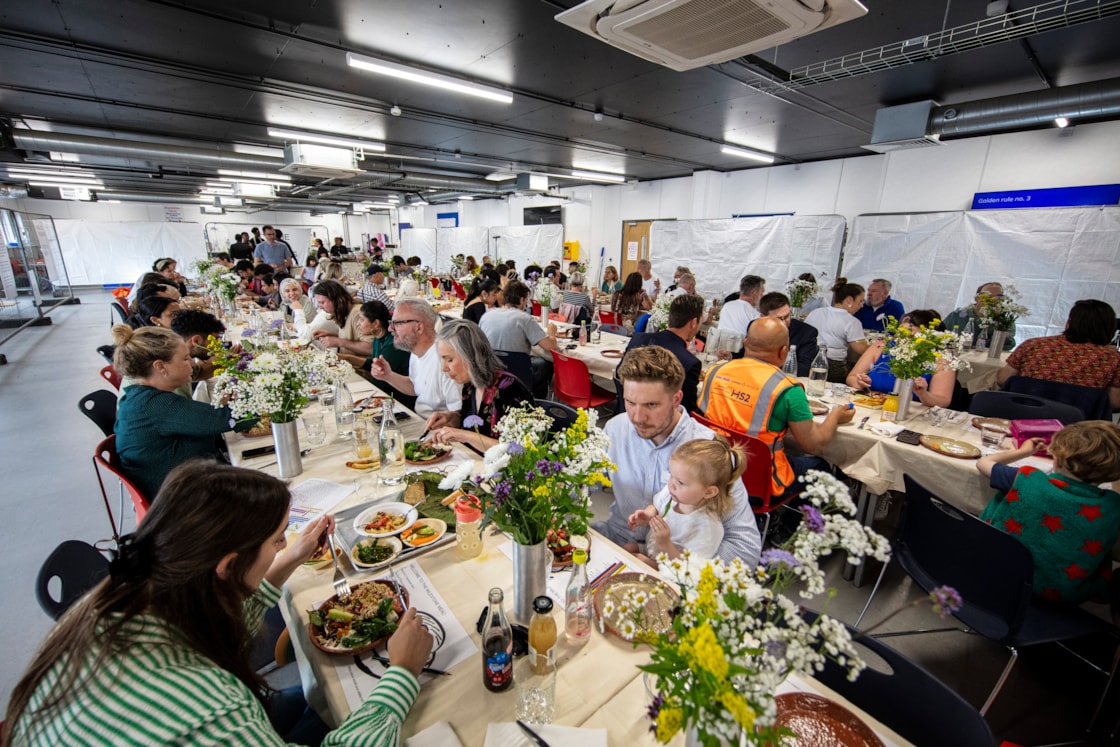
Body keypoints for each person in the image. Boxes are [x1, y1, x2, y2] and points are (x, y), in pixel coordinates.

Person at [3, 461, 433, 746]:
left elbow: (210, 620)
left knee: (321, 695)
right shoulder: (202, 704)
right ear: (227, 565)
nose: (283, 543)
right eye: (276, 538)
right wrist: (401, 674)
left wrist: (289, 558)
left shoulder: (121, 598)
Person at [593, 345, 762, 566]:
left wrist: (684, 570)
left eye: (651, 405)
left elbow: (745, 547)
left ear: (676, 399)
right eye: (630, 402)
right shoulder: (615, 428)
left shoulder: (709, 453)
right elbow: (582, 481)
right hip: (618, 540)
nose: (637, 417)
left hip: (676, 562)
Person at [698, 318, 855, 498]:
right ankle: (794, 523)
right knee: (820, 467)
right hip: (758, 480)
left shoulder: (716, 371)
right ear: (784, 352)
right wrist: (835, 416)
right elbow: (815, 445)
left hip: (713, 468)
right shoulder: (787, 389)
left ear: (745, 343)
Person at [977, 422, 1120, 604]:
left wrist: (1023, 451)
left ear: (1057, 459)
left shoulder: (1026, 478)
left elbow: (984, 463)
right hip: (1061, 599)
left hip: (994, 576)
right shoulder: (1112, 505)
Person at [110, 326, 245, 499]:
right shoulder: (154, 404)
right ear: (160, 366)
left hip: (179, 487)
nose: (192, 363)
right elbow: (230, 419)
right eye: (185, 358)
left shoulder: (140, 396)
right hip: (183, 501)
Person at [626, 437, 746, 568]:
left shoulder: (707, 529)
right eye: (671, 475)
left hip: (672, 567)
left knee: (636, 559)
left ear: (709, 492)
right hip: (653, 549)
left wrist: (665, 543)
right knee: (628, 548)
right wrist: (648, 514)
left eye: (681, 482)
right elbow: (656, 506)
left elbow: (689, 570)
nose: (671, 484)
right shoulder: (673, 494)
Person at [427, 320, 534, 451]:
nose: (444, 368)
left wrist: (464, 435)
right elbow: (479, 424)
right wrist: (452, 418)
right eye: (442, 359)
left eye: (449, 360)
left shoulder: (510, 389)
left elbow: (520, 449)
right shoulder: (470, 385)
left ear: (471, 356)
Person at [997, 299, 1120, 408]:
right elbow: (1114, 402)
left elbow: (1004, 379)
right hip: (1075, 427)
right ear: (1109, 327)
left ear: (1070, 322)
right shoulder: (1113, 358)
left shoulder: (1033, 345)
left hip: (1019, 415)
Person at [846, 309, 958, 408]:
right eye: (900, 334)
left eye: (911, 336)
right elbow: (851, 377)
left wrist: (923, 394)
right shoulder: (881, 347)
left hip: (912, 412)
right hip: (872, 405)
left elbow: (943, 400)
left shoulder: (942, 359)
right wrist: (860, 382)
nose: (901, 340)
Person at [369, 299, 462, 418]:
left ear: (419, 327)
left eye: (397, 323)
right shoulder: (416, 352)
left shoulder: (445, 359)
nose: (390, 329)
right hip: (419, 420)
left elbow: (458, 413)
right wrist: (388, 376)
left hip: (437, 430)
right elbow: (415, 387)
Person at [622, 294, 704, 413]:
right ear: (694, 322)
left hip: (625, 412)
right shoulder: (689, 363)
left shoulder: (637, 339)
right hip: (659, 426)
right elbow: (685, 410)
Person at [479, 281, 559, 399]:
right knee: (547, 363)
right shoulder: (524, 318)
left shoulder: (486, 316)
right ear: (522, 300)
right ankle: (535, 402)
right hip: (518, 373)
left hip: (490, 372)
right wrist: (552, 333)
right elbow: (550, 347)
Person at [337, 300, 415, 410]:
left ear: (376, 323)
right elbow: (373, 364)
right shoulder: (378, 338)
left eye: (362, 319)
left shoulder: (392, 344)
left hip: (396, 400)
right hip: (384, 393)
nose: (358, 324)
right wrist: (346, 358)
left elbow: (380, 379)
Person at [804, 278, 869, 382]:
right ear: (849, 300)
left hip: (807, 360)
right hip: (832, 367)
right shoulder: (851, 321)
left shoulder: (815, 312)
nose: (862, 306)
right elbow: (862, 350)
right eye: (860, 301)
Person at [755, 292, 819, 377]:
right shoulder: (756, 327)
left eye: (787, 316)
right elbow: (745, 354)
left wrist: (770, 362)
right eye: (779, 319)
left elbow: (804, 369)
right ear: (763, 317)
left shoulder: (806, 333)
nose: (784, 322)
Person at [942, 282, 1017, 351]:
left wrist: (1003, 335)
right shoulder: (957, 316)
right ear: (976, 298)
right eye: (987, 296)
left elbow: (1008, 346)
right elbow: (938, 335)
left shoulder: (1005, 321)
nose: (992, 300)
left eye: (998, 297)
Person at [310, 280, 373, 357]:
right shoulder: (343, 312)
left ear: (335, 299)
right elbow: (353, 338)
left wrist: (339, 342)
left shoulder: (357, 313)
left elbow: (371, 348)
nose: (320, 307)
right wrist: (332, 335)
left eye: (322, 302)